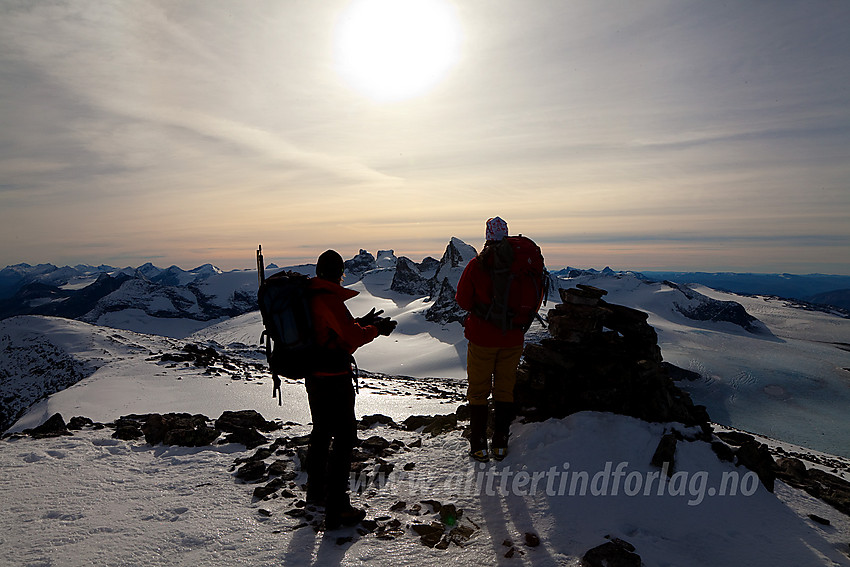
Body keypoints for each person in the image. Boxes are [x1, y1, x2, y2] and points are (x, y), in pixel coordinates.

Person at [305, 249, 397, 529]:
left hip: (314, 375)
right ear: (339, 273)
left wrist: (362, 322)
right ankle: (337, 508)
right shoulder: (328, 298)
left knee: (321, 432)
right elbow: (351, 337)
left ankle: (316, 494)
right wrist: (375, 329)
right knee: (344, 438)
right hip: (334, 376)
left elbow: (333, 330)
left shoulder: (309, 294)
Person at [455, 217, 526, 462]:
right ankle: (500, 444)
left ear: (487, 236)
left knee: (478, 391)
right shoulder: (522, 264)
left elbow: (462, 300)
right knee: (505, 389)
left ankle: (478, 445)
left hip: (482, 337)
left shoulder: (477, 265)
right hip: (514, 337)